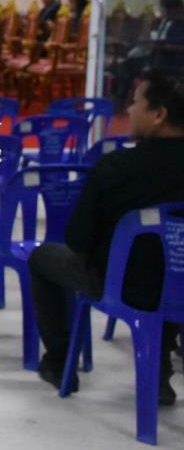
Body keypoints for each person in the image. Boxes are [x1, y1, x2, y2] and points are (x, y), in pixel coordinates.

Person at [28, 70, 184, 404]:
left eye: (135, 103)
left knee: (42, 258)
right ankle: (157, 376)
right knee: (170, 267)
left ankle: (58, 361)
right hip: (178, 285)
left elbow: (78, 240)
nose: (129, 110)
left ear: (159, 114)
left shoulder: (116, 168)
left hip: (123, 286)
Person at [111, 0, 184, 103]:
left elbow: (177, 45)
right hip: (157, 56)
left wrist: (161, 46)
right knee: (122, 66)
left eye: (163, 8)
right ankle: (120, 96)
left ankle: (121, 98)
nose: (161, 11)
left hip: (170, 61)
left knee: (126, 68)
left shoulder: (180, 23)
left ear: (171, 9)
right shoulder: (166, 22)